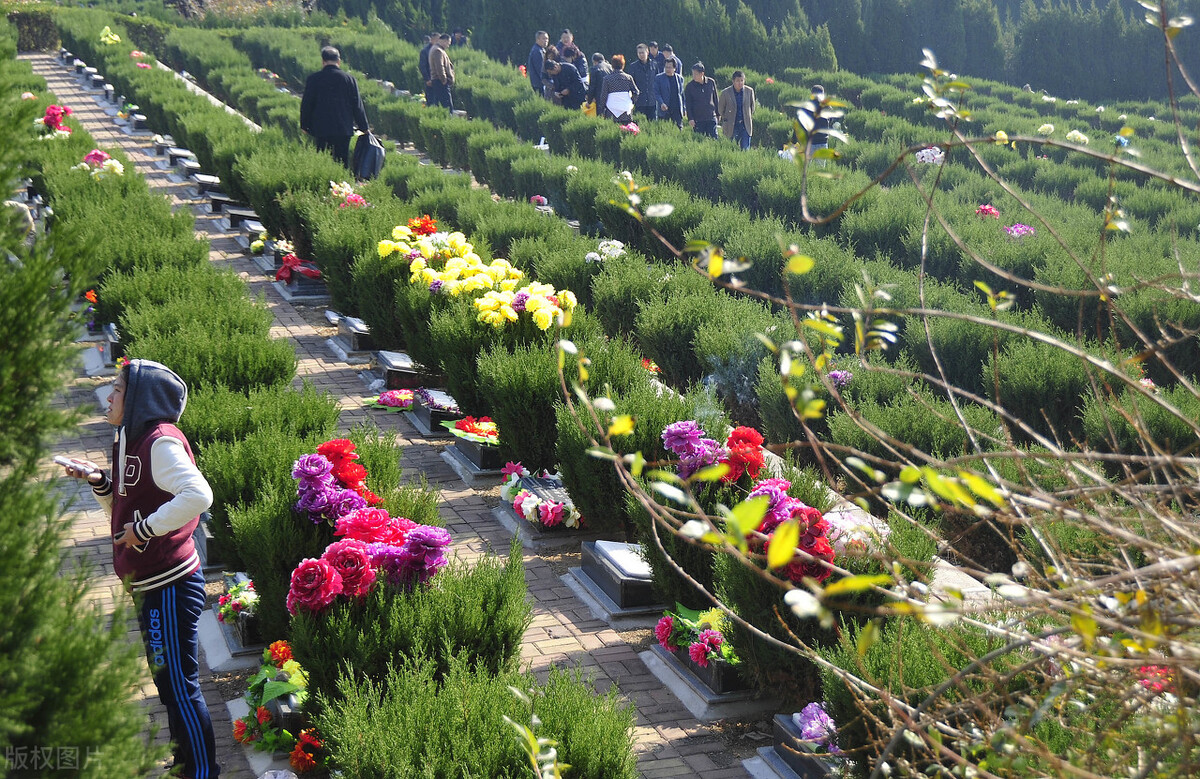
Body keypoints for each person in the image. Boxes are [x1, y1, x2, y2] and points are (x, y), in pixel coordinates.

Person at [62, 360, 218, 779]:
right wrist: (98, 480)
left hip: (170, 584)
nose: (110, 397)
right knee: (170, 689)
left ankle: (203, 773)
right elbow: (125, 512)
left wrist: (146, 528)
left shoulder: (159, 443)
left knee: (181, 689)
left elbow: (198, 495)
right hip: (149, 583)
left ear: (139, 398)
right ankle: (186, 766)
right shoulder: (129, 439)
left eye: (117, 389)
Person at [300, 46, 370, 168]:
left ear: (323, 62)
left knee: (323, 161)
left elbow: (306, 104)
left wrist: (304, 125)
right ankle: (341, 186)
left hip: (321, 128)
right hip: (343, 129)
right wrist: (364, 127)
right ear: (339, 61)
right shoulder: (349, 79)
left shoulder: (314, 79)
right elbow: (357, 105)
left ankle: (325, 184)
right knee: (341, 163)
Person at [718, 70, 756, 149]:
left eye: (742, 80)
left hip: (745, 125)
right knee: (731, 148)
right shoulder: (726, 93)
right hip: (732, 125)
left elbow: (752, 107)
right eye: (738, 81)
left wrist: (747, 116)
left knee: (745, 149)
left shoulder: (749, 91)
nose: (740, 83)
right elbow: (721, 109)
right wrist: (728, 117)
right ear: (733, 81)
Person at [598, 53, 638, 123]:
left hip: (611, 111)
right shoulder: (628, 78)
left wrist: (601, 110)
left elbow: (603, 96)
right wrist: (631, 101)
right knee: (626, 130)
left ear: (612, 65)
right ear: (623, 65)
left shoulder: (607, 79)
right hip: (626, 110)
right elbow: (636, 92)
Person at [684, 61, 718, 138]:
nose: (694, 76)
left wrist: (718, 113)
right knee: (699, 139)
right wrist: (690, 118)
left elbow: (715, 98)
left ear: (702, 73)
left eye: (696, 74)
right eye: (693, 74)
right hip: (698, 119)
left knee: (714, 138)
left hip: (711, 117)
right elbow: (688, 104)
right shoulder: (690, 87)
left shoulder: (711, 82)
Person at [796, 84, 831, 156]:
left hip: (809, 142)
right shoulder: (826, 106)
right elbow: (832, 119)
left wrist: (795, 141)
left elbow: (799, 124)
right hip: (822, 141)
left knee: (807, 166)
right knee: (820, 167)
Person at [627, 43, 658, 120]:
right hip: (639, 101)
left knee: (653, 124)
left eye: (642, 52)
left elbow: (657, 81)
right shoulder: (633, 67)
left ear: (647, 52)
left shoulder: (654, 65)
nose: (641, 55)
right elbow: (630, 84)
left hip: (652, 101)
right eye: (639, 53)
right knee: (639, 123)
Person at [653, 57, 685, 127]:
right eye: (666, 67)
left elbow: (682, 95)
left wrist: (684, 108)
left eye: (670, 67)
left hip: (676, 110)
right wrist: (661, 103)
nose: (667, 69)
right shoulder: (659, 78)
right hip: (665, 110)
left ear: (674, 68)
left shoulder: (680, 79)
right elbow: (656, 93)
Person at [427, 33, 455, 109]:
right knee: (447, 107)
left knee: (438, 104)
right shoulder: (438, 51)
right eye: (448, 43)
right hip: (440, 82)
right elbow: (439, 67)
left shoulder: (436, 49)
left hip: (438, 81)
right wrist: (444, 80)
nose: (448, 46)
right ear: (444, 41)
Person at [527, 31, 548, 97]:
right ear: (537, 39)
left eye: (547, 39)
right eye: (543, 39)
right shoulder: (537, 51)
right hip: (539, 84)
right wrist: (547, 81)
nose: (546, 41)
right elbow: (540, 69)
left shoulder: (541, 50)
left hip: (539, 83)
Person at [418, 34, 434, 104]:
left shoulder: (440, 50)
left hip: (438, 80)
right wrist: (427, 79)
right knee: (430, 99)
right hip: (430, 79)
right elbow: (422, 66)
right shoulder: (425, 51)